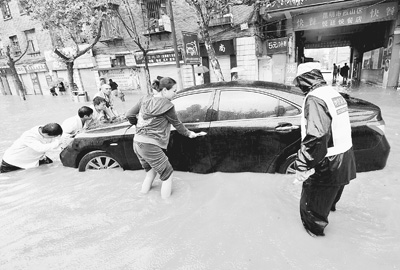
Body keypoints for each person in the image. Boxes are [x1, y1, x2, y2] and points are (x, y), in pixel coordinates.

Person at [292, 62, 356, 237]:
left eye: (298, 83)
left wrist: (302, 164)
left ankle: (314, 241)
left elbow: (317, 136)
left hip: (328, 163)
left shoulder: (314, 99)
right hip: (345, 158)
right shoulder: (332, 93)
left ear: (303, 79)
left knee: (311, 210)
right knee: (329, 199)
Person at [125, 77, 206, 199]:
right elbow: (177, 124)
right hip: (150, 145)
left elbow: (129, 114)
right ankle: (166, 204)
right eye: (174, 90)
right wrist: (190, 134)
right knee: (168, 175)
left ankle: (142, 196)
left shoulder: (145, 98)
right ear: (164, 90)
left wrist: (137, 124)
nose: (176, 93)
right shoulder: (168, 106)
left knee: (150, 173)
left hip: (137, 142)